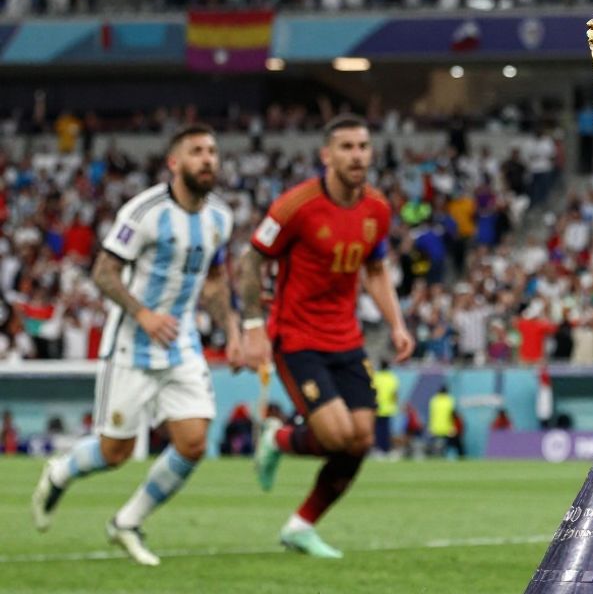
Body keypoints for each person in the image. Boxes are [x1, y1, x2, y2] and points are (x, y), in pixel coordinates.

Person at [31, 125, 239, 566]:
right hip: (131, 344)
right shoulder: (144, 211)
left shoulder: (220, 217)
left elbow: (217, 279)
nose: (208, 159)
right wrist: (143, 313)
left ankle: (127, 522)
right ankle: (60, 471)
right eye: (197, 152)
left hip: (181, 341)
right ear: (174, 162)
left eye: (212, 152)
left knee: (194, 442)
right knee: (115, 453)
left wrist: (234, 332)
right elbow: (104, 272)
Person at [239, 115, 414, 559]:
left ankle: (301, 525)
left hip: (346, 337)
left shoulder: (377, 209)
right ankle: (277, 438)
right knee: (337, 436)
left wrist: (396, 324)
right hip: (296, 336)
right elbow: (252, 260)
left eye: (363, 146)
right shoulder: (295, 206)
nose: (357, 155)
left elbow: (374, 270)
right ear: (327, 155)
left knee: (361, 438)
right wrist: (253, 326)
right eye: (347, 147)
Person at [372, 360, 399, 456]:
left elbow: (372, 391)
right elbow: (395, 394)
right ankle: (386, 449)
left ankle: (378, 449)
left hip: (377, 407)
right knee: (386, 430)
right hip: (388, 407)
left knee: (377, 430)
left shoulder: (376, 377)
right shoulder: (392, 378)